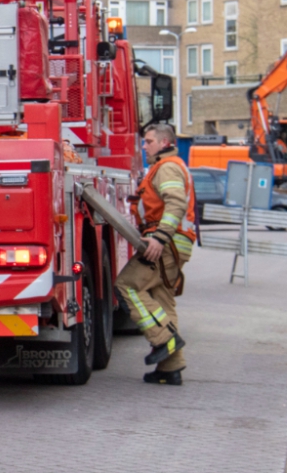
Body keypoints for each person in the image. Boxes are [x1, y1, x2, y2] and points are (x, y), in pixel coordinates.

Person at [115, 123, 195, 386]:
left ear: (164, 143)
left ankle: (163, 340)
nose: (144, 146)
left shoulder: (168, 167)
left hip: (166, 244)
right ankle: (170, 368)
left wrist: (160, 238)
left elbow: (175, 204)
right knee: (162, 301)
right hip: (175, 244)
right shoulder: (167, 167)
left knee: (127, 284)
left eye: (148, 141)